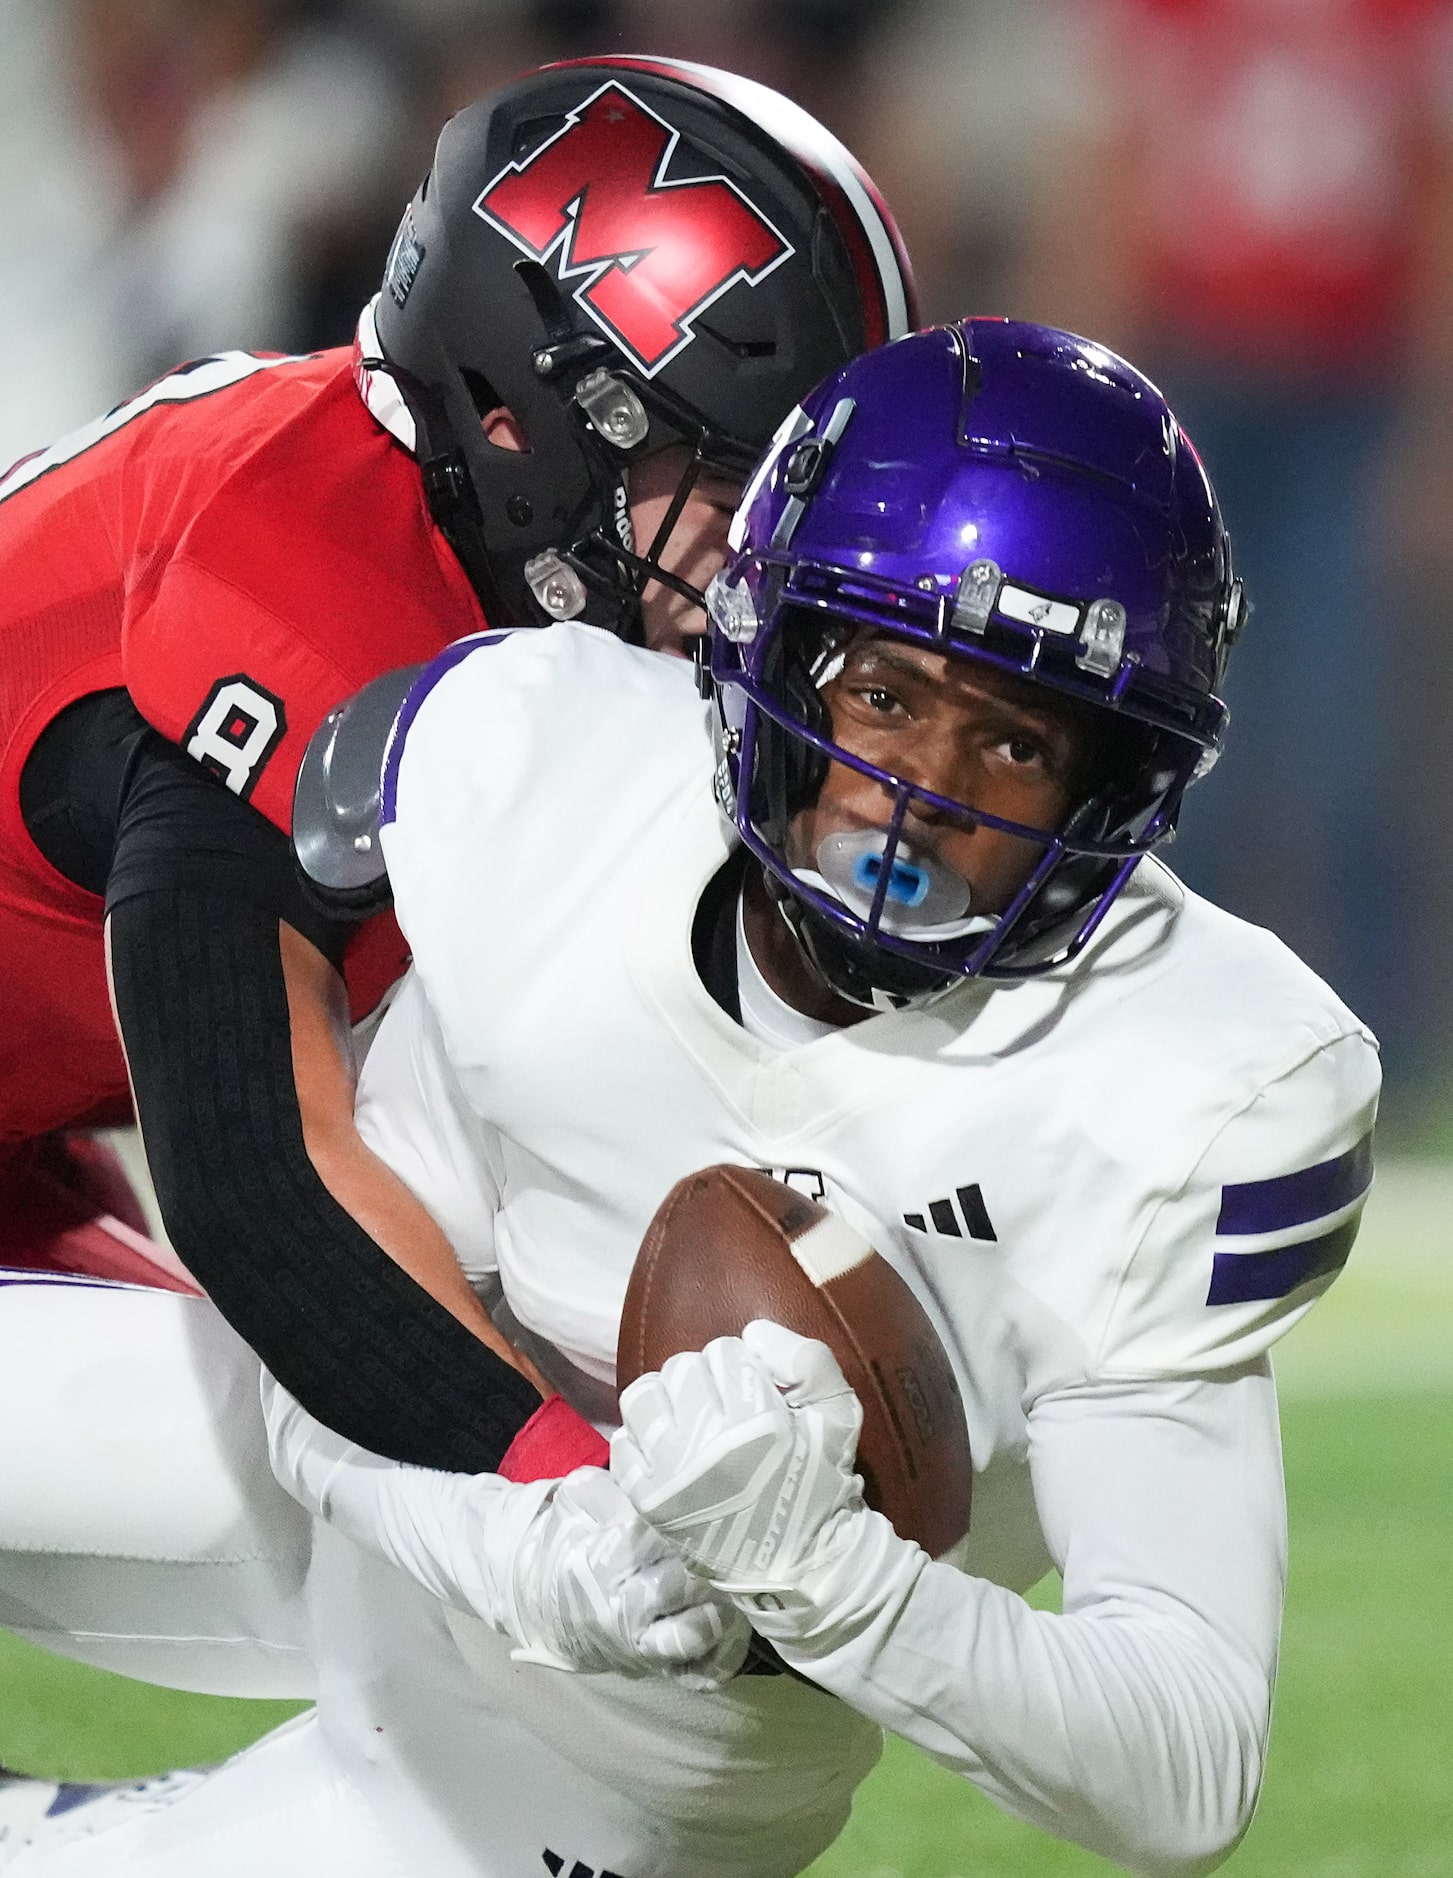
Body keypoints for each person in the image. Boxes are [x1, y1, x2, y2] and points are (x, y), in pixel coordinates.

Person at [0, 321, 1378, 1876]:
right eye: (881, 692)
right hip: (394, 1491)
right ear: (769, 652)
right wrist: (532, 1535)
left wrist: (842, 1584)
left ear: (1115, 792)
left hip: (632, 1754)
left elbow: (1181, 1765)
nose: (921, 789)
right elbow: (319, 1330)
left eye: (1015, 738)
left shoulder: (1187, 1082)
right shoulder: (545, 780)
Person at [0, 54, 915, 1693]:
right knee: (345, 1515)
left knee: (406, 1499)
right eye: (719, 477)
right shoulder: (298, 587)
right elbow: (258, 1184)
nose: (755, 549)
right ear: (521, 410)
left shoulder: (473, 576)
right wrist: (566, 1487)